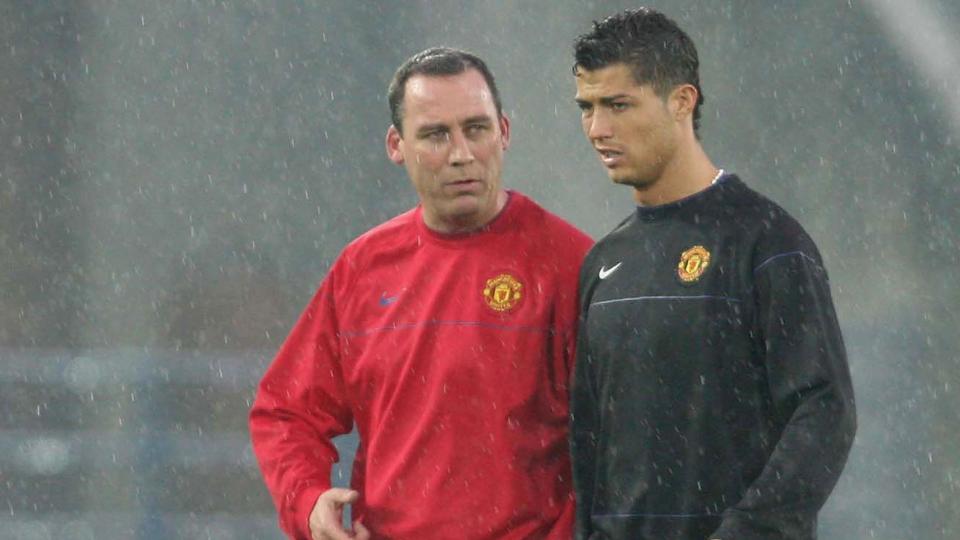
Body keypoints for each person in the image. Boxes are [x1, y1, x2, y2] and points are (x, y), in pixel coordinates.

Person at [249, 47, 593, 540]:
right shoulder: (363, 269)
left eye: (476, 128)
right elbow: (286, 410)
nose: (461, 154)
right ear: (396, 145)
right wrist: (307, 501)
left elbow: (617, 442)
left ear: (505, 132)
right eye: (435, 134)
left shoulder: (571, 265)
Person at [568, 9, 856, 540]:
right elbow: (589, 438)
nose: (597, 129)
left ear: (682, 101)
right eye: (586, 107)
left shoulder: (766, 242)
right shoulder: (603, 265)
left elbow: (824, 411)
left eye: (618, 105)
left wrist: (749, 530)